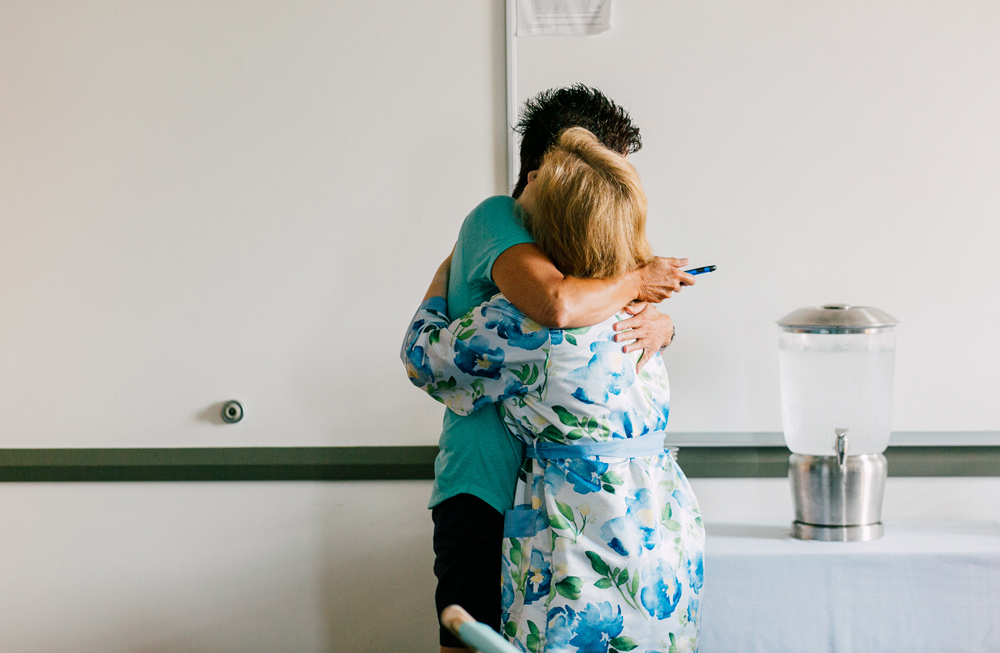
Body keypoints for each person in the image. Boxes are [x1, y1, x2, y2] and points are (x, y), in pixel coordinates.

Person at [403, 128, 704, 652]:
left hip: (582, 550)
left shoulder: (525, 325)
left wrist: (446, 268)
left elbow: (424, 359)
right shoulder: (640, 308)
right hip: (663, 537)